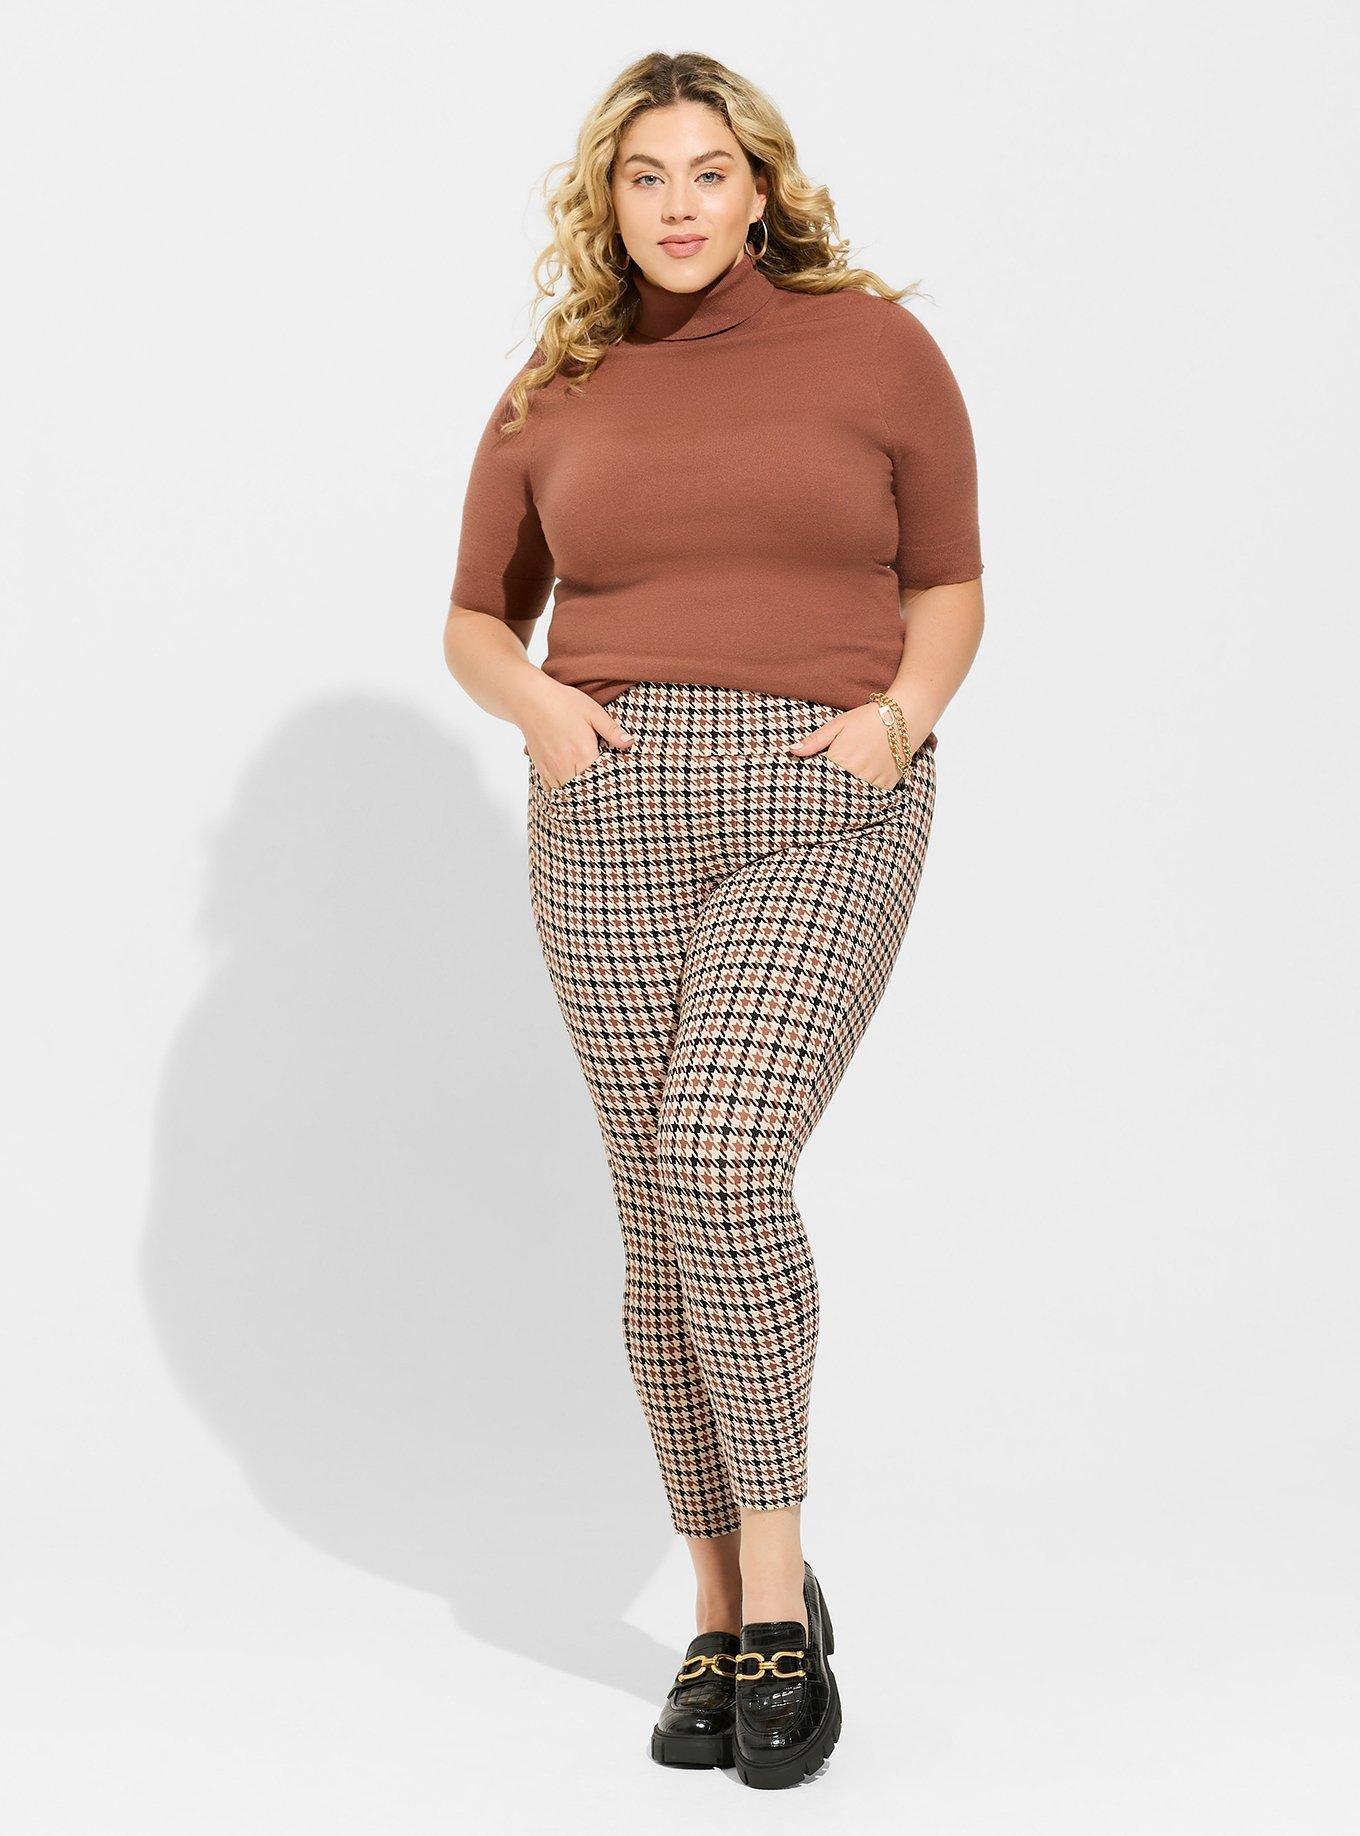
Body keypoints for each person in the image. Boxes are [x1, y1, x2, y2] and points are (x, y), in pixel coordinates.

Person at [442, 49, 984, 1790]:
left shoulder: (876, 351)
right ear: (608, 201)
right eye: (644, 177)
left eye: (707, 172)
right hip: (610, 809)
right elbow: (473, 619)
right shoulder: (559, 385)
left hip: (822, 794)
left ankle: (776, 1590)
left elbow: (950, 583)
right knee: (660, 1217)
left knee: (722, 1159)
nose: (677, 205)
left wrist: (899, 722)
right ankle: (717, 1607)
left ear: (761, 189)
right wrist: (540, 710)